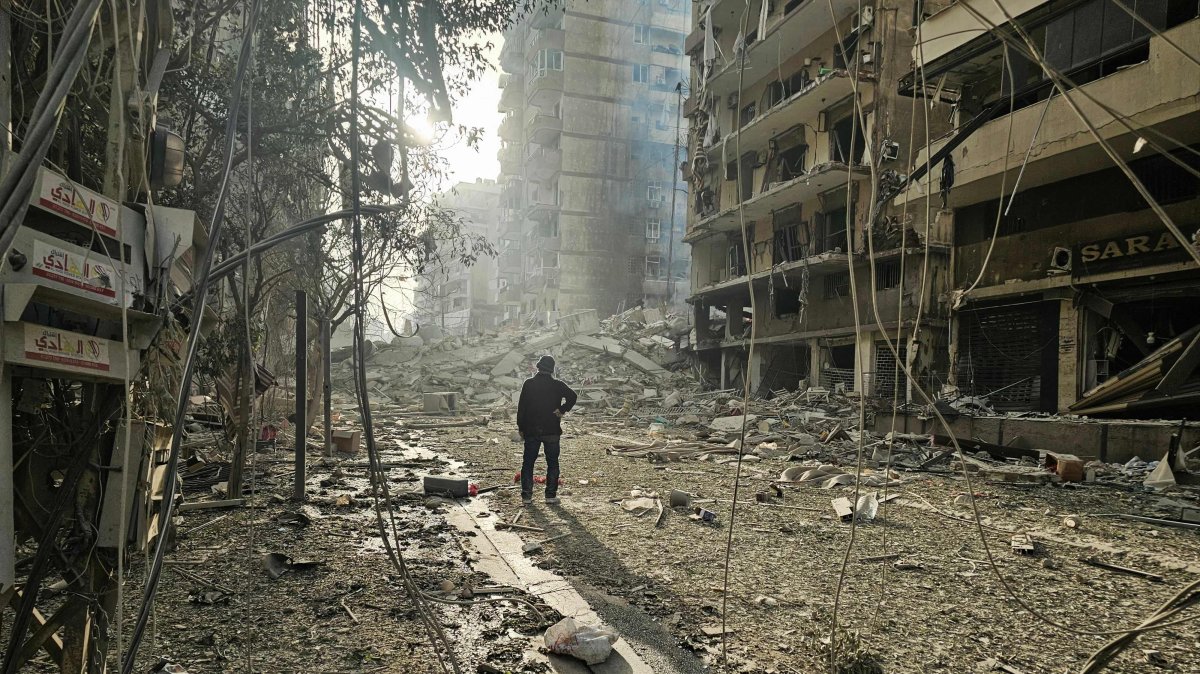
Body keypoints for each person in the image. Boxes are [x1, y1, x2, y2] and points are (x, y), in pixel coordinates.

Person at [516, 355, 577, 504]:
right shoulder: (557, 384)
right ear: (552, 369)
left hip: (531, 429)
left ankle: (527, 496)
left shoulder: (529, 384)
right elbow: (573, 396)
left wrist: (521, 427)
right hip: (552, 429)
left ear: (538, 367)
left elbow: (521, 408)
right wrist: (562, 409)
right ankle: (550, 496)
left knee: (528, 463)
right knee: (553, 463)